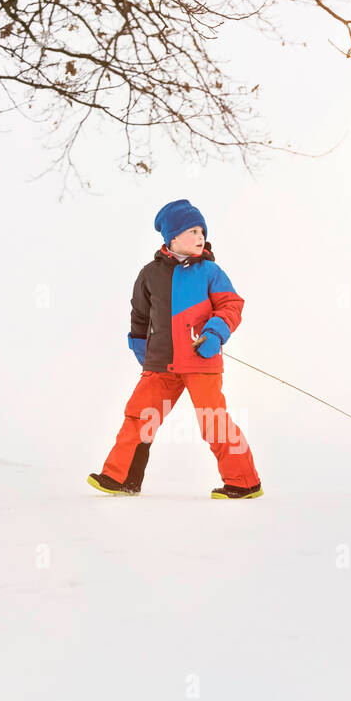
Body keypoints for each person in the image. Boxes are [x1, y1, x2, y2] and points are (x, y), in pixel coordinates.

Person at [88, 199, 263, 498]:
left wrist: (215, 334)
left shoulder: (210, 272)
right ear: (172, 237)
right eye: (192, 230)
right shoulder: (149, 274)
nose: (200, 237)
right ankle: (122, 479)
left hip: (200, 360)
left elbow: (231, 306)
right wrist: (143, 350)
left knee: (213, 421)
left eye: (202, 231)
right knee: (139, 417)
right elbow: (140, 316)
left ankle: (243, 483)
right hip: (160, 364)